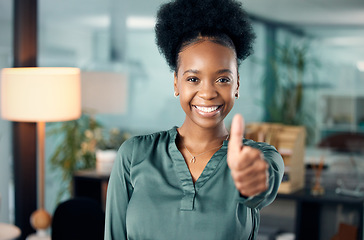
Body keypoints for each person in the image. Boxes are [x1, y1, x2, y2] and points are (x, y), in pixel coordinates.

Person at [104, 0, 284, 239]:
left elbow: (262, 185)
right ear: (176, 82)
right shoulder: (134, 155)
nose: (208, 93)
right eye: (193, 79)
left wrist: (253, 181)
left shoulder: (260, 158)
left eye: (222, 79)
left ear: (237, 84)